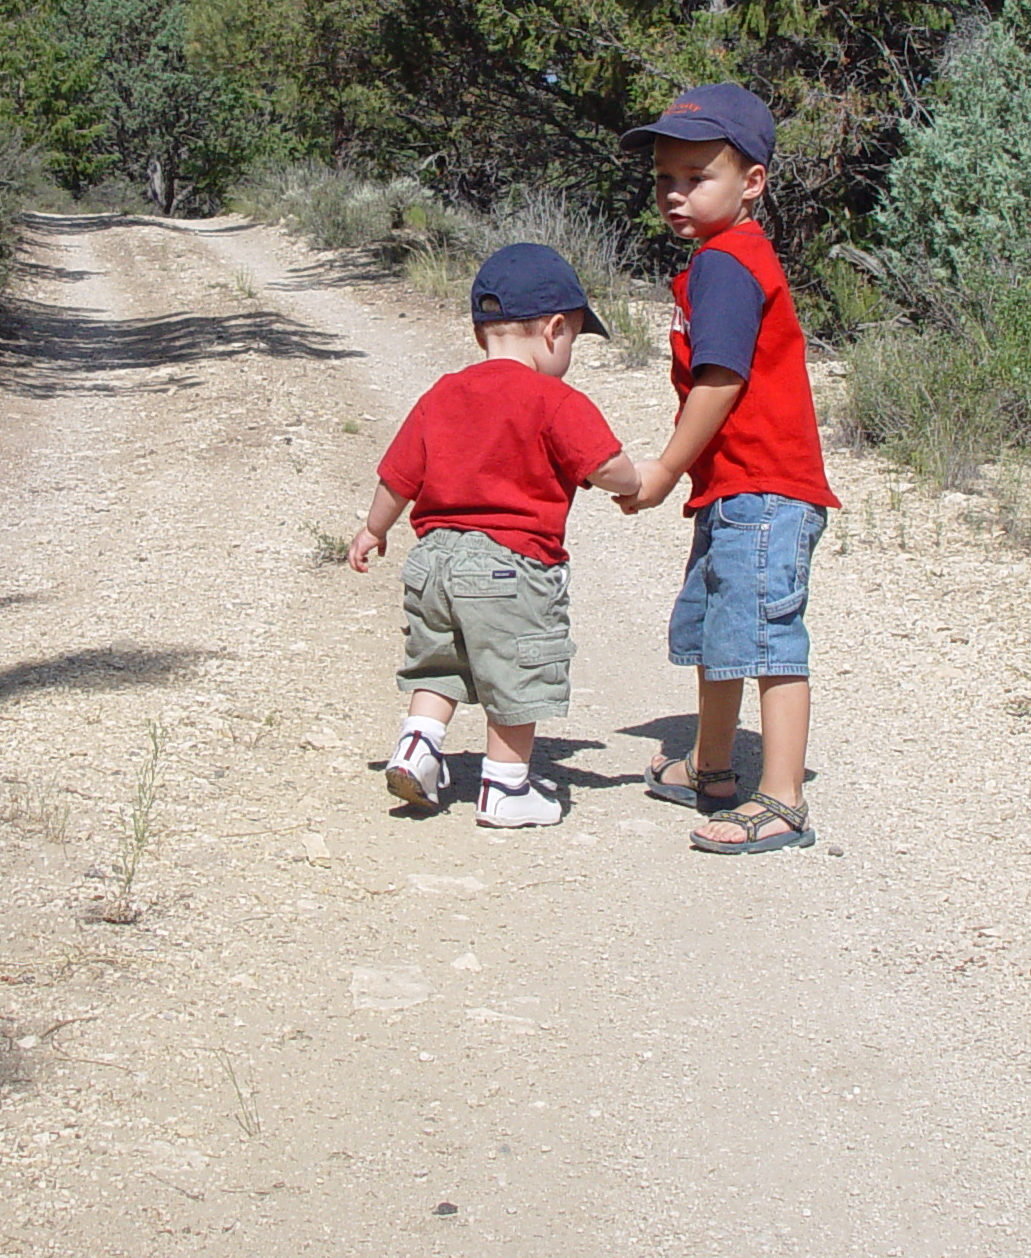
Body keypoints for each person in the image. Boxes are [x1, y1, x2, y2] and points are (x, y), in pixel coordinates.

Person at [347, 244, 641, 827]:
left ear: (482, 333)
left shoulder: (442, 394)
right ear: (555, 330)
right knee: (514, 670)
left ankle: (419, 745)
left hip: (432, 562)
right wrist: (635, 482)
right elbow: (606, 466)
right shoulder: (554, 399)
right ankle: (506, 788)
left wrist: (372, 529)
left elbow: (398, 476)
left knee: (441, 662)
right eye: (575, 340)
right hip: (509, 565)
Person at [619, 84, 840, 854]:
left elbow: (722, 380)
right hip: (739, 486)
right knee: (721, 626)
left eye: (696, 176)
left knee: (767, 635)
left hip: (765, 487)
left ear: (752, 183)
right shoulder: (721, 258)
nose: (675, 194)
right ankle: (711, 767)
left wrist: (662, 473)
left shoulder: (727, 263)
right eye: (663, 179)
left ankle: (781, 798)